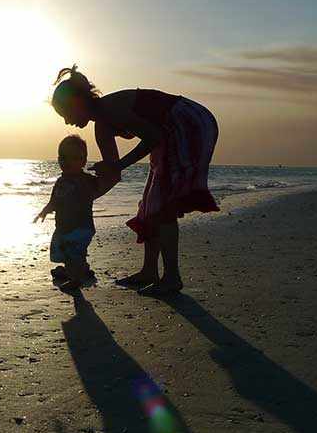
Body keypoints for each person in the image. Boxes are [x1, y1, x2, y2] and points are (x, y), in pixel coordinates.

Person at [50, 65, 219, 296]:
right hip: (167, 133)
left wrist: (117, 165)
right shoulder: (102, 127)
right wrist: (79, 195)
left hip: (188, 123)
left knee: (163, 205)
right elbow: (113, 175)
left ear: (78, 102)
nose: (67, 122)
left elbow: (152, 137)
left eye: (67, 114)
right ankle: (149, 272)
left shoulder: (111, 107)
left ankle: (171, 278)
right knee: (150, 205)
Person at [34, 134, 104, 292]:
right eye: (63, 157)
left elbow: (101, 184)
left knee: (73, 254)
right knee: (67, 253)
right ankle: (80, 271)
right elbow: (54, 201)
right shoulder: (60, 181)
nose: (67, 162)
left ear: (83, 161)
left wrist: (102, 171)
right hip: (64, 227)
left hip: (81, 227)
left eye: (74, 158)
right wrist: (45, 210)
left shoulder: (86, 180)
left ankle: (76, 279)